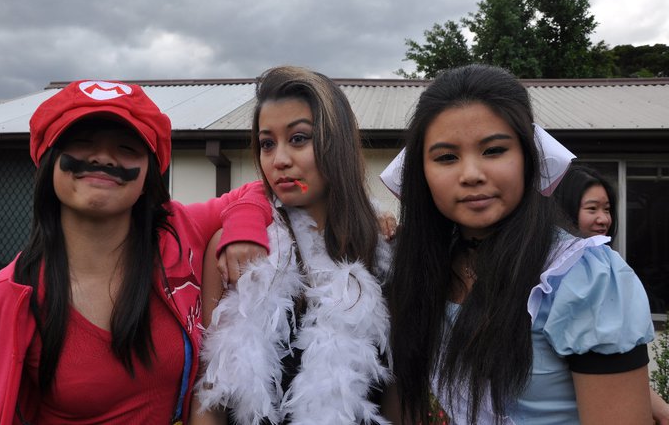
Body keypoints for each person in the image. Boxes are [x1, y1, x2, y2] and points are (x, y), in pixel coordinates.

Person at [0, 80, 273, 425]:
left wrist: (245, 228)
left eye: (126, 148)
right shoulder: (0, 303)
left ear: (147, 178)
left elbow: (261, 189)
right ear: (49, 162)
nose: (103, 158)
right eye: (82, 142)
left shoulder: (178, 231)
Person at [387, 64, 655, 424]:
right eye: (446, 157)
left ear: (529, 156)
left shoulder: (583, 278)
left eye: (494, 150)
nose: (471, 174)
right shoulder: (419, 268)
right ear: (421, 172)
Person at [194, 66, 393, 424]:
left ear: (337, 144)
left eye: (299, 139)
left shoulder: (385, 250)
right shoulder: (235, 248)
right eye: (267, 144)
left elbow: (399, 393)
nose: (279, 160)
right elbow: (211, 393)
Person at [553, 163, 669, 425]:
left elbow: (610, 365)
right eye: (592, 208)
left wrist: (661, 410)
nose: (604, 219)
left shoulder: (600, 264)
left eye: (607, 209)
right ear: (564, 210)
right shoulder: (557, 278)